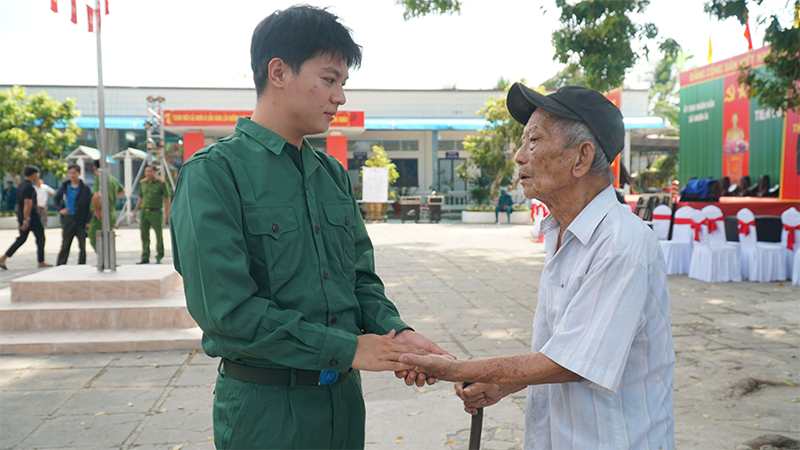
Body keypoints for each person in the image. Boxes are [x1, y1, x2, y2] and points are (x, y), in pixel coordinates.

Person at [169, 6, 452, 449]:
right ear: (278, 72)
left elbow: (358, 280)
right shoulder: (214, 174)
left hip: (341, 404)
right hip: (266, 413)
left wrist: (396, 334)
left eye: (343, 84)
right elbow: (228, 315)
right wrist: (352, 350)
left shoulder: (330, 174)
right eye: (329, 79)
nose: (339, 97)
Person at [401, 84, 675, 449]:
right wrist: (504, 382)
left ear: (581, 158)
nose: (519, 156)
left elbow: (574, 364)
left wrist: (458, 370)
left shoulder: (622, 244)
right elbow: (566, 347)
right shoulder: (561, 232)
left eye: (534, 141)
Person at [0, 166, 48, 270]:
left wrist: (36, 207)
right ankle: (41, 261)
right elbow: (27, 202)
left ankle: (3, 257)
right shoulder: (29, 187)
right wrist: (27, 219)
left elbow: (23, 202)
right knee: (40, 238)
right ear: (35, 174)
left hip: (22, 215)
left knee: (21, 239)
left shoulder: (21, 185)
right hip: (31, 217)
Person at [53, 164, 92, 265]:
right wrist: (60, 209)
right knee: (65, 243)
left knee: (82, 244)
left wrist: (88, 221)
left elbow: (89, 206)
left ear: (79, 173)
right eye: (70, 173)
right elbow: (56, 199)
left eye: (74, 173)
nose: (72, 175)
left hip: (80, 219)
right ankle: (60, 264)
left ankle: (82, 264)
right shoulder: (65, 186)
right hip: (68, 218)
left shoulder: (85, 189)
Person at [133, 164, 171, 264]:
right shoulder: (143, 183)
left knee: (158, 235)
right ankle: (145, 256)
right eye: (146, 171)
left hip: (156, 212)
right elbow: (141, 198)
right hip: (144, 212)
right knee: (144, 235)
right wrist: (135, 211)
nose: (148, 173)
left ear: (155, 172)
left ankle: (159, 255)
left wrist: (167, 212)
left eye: (150, 171)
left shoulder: (161, 183)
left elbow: (167, 198)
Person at [88, 159, 124, 252]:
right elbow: (122, 191)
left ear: (94, 168)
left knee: (93, 236)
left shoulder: (100, 179)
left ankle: (103, 258)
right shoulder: (112, 179)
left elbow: (96, 196)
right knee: (108, 237)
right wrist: (111, 197)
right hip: (111, 212)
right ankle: (108, 257)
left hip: (101, 213)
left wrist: (97, 210)